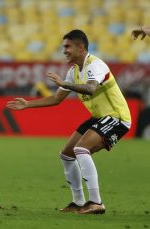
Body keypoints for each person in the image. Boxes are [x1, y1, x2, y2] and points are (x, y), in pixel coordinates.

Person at [7, 29, 131, 214]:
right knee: (66, 154)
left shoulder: (95, 65)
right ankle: (79, 202)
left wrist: (65, 84)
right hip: (99, 118)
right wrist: (28, 105)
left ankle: (96, 203)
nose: (64, 50)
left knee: (81, 149)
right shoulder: (73, 71)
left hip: (117, 117)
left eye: (67, 46)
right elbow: (56, 99)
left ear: (80, 47)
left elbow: (90, 88)